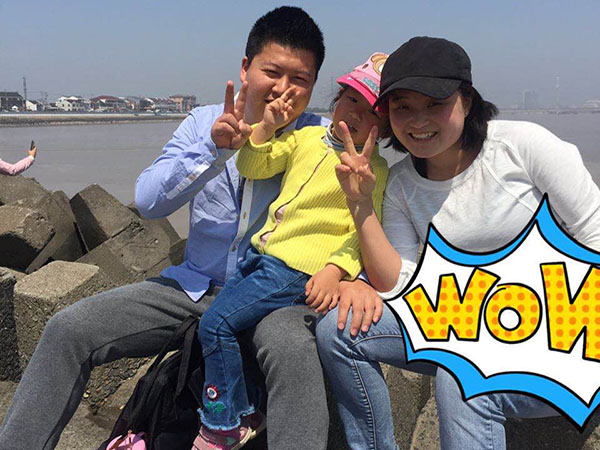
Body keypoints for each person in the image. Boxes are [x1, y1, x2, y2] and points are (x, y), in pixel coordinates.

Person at [0, 7, 376, 450]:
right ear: (246, 68)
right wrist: (213, 150)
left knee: (295, 353)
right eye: (273, 72)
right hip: (192, 288)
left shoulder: (327, 139)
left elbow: (367, 215)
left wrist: (359, 279)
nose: (284, 89)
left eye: (301, 80)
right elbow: (148, 201)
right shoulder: (202, 122)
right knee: (68, 329)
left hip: (271, 298)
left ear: (314, 86)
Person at [316, 36, 600, 450]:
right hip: (468, 320)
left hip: (564, 322)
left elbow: (594, 233)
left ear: (466, 100)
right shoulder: (401, 185)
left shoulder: (522, 147)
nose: (419, 121)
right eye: (403, 107)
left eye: (435, 103)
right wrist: (360, 206)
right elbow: (400, 285)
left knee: (462, 375)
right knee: (339, 331)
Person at [192, 53, 390, 450]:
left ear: (385, 131)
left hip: (295, 270)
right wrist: (267, 127)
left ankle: (223, 423)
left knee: (214, 325)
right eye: (351, 99)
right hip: (261, 258)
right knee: (232, 327)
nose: (355, 113)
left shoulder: (374, 171)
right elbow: (253, 166)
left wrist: (335, 271)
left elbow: (363, 233)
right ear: (337, 100)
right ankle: (247, 409)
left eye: (371, 112)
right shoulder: (305, 138)